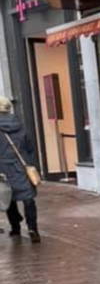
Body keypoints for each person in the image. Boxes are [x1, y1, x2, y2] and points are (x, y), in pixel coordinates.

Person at [0, 97, 40, 243]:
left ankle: (15, 228)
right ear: (9, 108)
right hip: (22, 166)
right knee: (28, 199)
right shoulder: (20, 125)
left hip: (2, 167)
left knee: (8, 197)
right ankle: (32, 228)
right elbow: (29, 146)